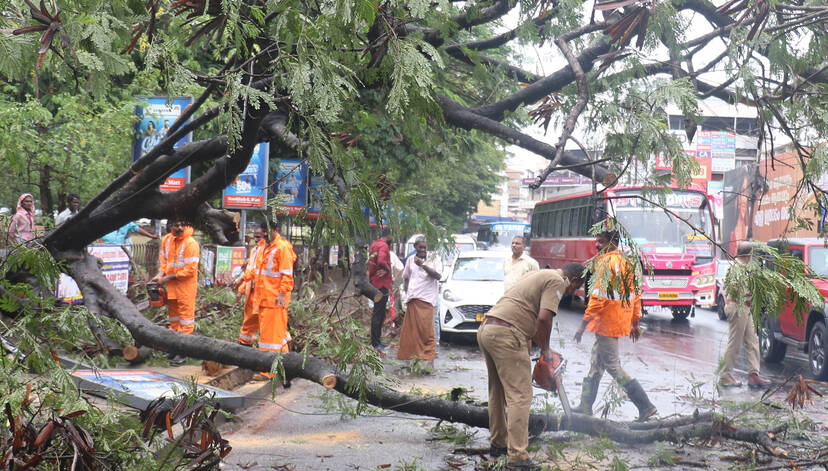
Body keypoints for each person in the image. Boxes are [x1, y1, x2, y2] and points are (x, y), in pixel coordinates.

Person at [478, 263, 584, 469]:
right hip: (507, 334)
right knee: (521, 395)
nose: (572, 292)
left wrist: (528, 351)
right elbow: (543, 320)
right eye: (575, 288)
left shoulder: (539, 275)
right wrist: (546, 351)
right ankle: (517, 456)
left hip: (488, 329)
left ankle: (499, 443)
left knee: (497, 391)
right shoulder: (557, 281)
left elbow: (527, 316)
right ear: (574, 280)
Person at [573, 230, 657, 421]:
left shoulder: (605, 264)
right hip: (617, 323)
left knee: (612, 366)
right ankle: (585, 406)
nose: (597, 246)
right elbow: (636, 296)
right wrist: (634, 323)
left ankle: (645, 406)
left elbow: (597, 299)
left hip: (605, 325)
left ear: (612, 244)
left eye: (600, 243)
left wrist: (582, 325)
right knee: (596, 364)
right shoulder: (627, 264)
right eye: (597, 242)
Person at [245, 221, 296, 377]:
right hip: (263, 299)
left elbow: (287, 274)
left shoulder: (282, 248)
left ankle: (268, 372)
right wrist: (242, 280)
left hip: (274, 300)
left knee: (269, 338)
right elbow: (256, 271)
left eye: (266, 233)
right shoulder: (263, 247)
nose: (263, 236)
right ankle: (285, 367)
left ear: (275, 230)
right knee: (276, 337)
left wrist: (281, 294)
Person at [719, 243, 772, 388]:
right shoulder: (737, 267)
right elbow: (735, 289)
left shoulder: (744, 267)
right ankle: (725, 375)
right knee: (734, 343)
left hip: (745, 308)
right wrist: (752, 293)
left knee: (752, 341)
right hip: (737, 306)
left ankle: (753, 374)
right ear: (748, 255)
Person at [151, 219, 200, 365]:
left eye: (181, 225)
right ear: (170, 226)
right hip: (171, 286)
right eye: (175, 225)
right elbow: (164, 262)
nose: (179, 228)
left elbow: (190, 270)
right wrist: (160, 275)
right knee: (174, 320)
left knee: (185, 320)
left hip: (185, 287)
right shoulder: (167, 240)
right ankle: (174, 347)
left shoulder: (191, 243)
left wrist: (166, 278)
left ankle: (183, 352)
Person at [398, 237, 442, 363]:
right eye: (420, 247)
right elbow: (405, 277)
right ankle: (412, 356)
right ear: (415, 247)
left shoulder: (435, 258)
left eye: (424, 247)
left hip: (427, 300)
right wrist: (407, 293)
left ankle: (428, 357)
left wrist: (423, 265)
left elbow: (438, 276)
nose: (422, 250)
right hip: (413, 299)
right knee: (412, 331)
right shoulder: (411, 259)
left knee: (427, 331)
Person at [235, 224, 268, 346]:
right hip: (251, 293)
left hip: (262, 293)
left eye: (258, 237)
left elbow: (256, 271)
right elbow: (250, 272)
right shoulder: (254, 250)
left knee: (266, 323)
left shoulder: (267, 250)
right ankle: (244, 347)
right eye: (255, 237)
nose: (256, 240)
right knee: (248, 323)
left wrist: (241, 281)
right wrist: (241, 290)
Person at [368, 228, 393, 352]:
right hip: (382, 283)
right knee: (379, 313)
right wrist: (387, 269)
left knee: (377, 312)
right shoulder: (384, 246)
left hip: (374, 282)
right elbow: (381, 260)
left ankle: (376, 340)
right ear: (388, 236)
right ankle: (376, 343)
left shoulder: (374, 245)